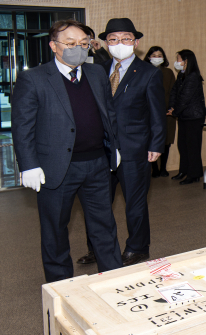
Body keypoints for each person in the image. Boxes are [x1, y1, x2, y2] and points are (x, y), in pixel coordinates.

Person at [12, 19, 122, 282]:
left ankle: (114, 281)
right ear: (53, 45)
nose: (78, 49)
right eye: (71, 44)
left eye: (84, 44)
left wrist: (114, 146)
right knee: (55, 231)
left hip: (96, 164)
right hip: (56, 168)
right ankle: (61, 287)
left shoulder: (96, 74)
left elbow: (109, 114)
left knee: (104, 227)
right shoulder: (34, 79)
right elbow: (22, 125)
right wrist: (28, 164)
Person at [77, 18, 166, 267]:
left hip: (134, 149)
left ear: (135, 42)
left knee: (135, 203)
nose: (119, 43)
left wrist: (156, 145)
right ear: (106, 43)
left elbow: (157, 114)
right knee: (96, 204)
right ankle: (97, 247)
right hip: (100, 150)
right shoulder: (95, 70)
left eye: (126, 38)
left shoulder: (149, 73)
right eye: (113, 39)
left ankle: (137, 247)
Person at [168, 49, 206, 185]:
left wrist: (175, 112)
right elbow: (174, 92)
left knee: (192, 146)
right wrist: (171, 107)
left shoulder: (193, 76)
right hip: (184, 115)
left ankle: (194, 174)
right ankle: (184, 170)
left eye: (178, 59)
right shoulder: (182, 75)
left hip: (194, 116)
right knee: (182, 145)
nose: (177, 62)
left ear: (186, 61)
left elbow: (185, 98)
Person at [144, 46, 176, 178]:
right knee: (151, 139)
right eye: (154, 55)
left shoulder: (168, 72)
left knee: (166, 140)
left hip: (166, 112)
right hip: (148, 112)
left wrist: (172, 107)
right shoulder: (144, 71)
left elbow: (173, 91)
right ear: (148, 57)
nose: (157, 58)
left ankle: (163, 168)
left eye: (159, 55)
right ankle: (154, 168)